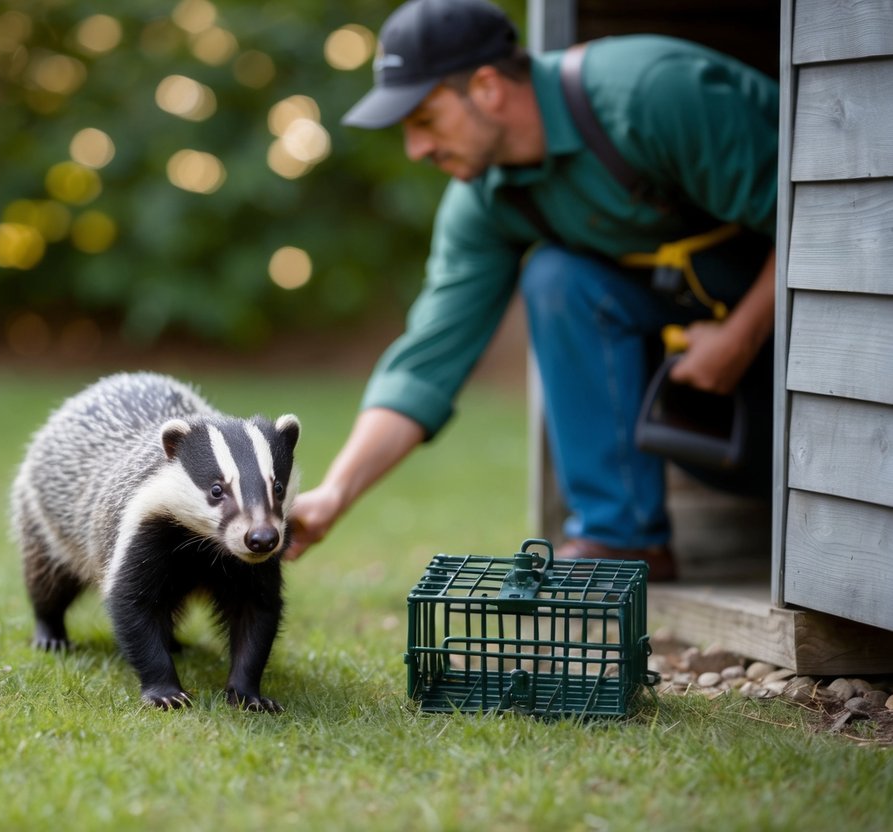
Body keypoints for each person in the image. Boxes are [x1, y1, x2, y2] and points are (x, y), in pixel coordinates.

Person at [283, 0, 779, 581]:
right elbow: (427, 362)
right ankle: (623, 541)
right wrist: (334, 493)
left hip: (830, 342)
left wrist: (740, 336)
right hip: (723, 390)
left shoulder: (650, 95)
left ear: (488, 86)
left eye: (424, 120)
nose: (416, 150)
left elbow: (819, 216)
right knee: (558, 278)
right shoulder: (485, 201)